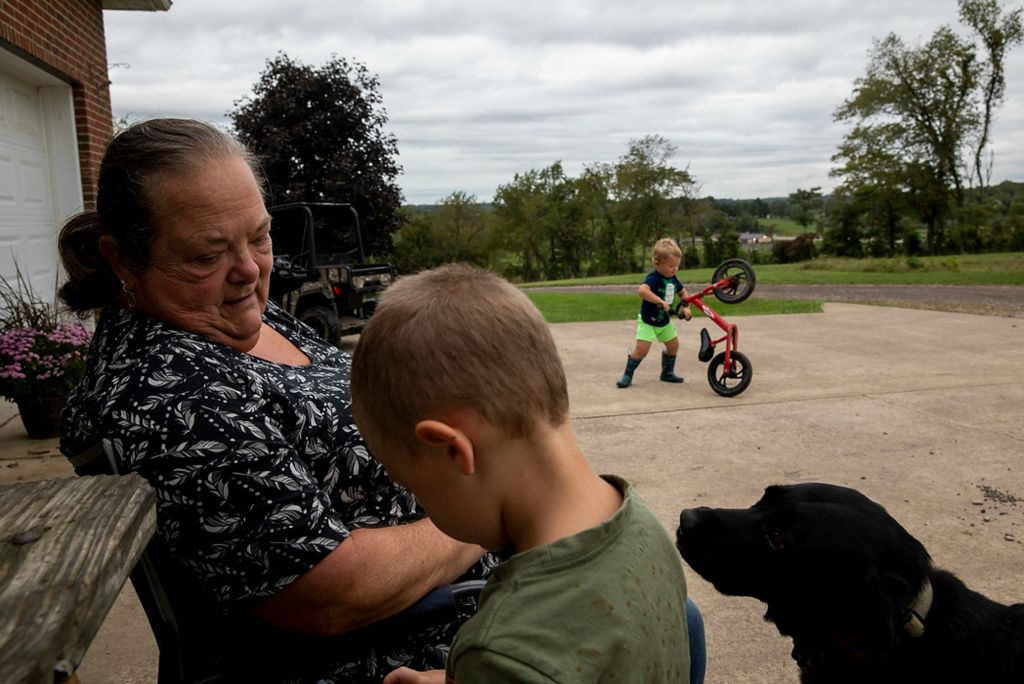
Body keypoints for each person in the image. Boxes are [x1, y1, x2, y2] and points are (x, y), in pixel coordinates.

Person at [57, 118, 497, 682]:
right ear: (122, 259)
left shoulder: (243, 316)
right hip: (399, 655)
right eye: (205, 255)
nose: (249, 270)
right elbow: (331, 594)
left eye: (260, 236)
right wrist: (485, 510)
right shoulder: (164, 396)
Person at [350, 264, 697, 683]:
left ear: (453, 451)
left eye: (414, 488)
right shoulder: (641, 525)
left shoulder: (506, 650)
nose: (424, 505)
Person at [616, 237, 693, 388]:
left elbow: (683, 292)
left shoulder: (673, 279)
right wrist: (659, 301)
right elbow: (642, 290)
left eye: (677, 266)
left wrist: (686, 307)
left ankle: (667, 373)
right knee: (642, 350)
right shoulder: (654, 278)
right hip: (648, 322)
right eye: (671, 266)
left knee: (673, 346)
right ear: (657, 263)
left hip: (664, 322)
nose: (674, 269)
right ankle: (627, 375)